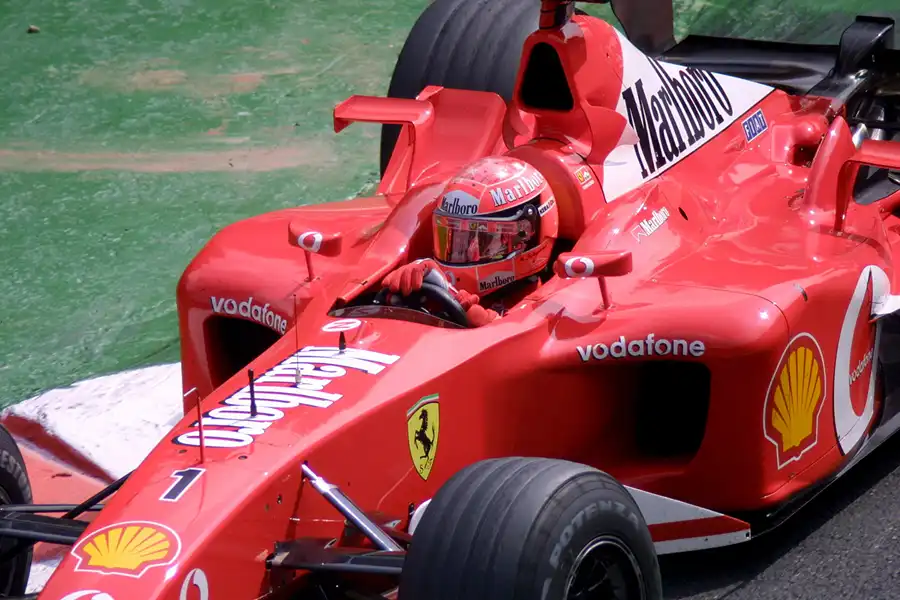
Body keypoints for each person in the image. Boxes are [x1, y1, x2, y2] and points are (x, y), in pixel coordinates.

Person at [381, 155, 560, 327]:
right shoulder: (451, 293)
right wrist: (410, 285)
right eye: (456, 239)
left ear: (524, 237)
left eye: (484, 240)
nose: (466, 250)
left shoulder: (549, 309)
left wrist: (487, 324)